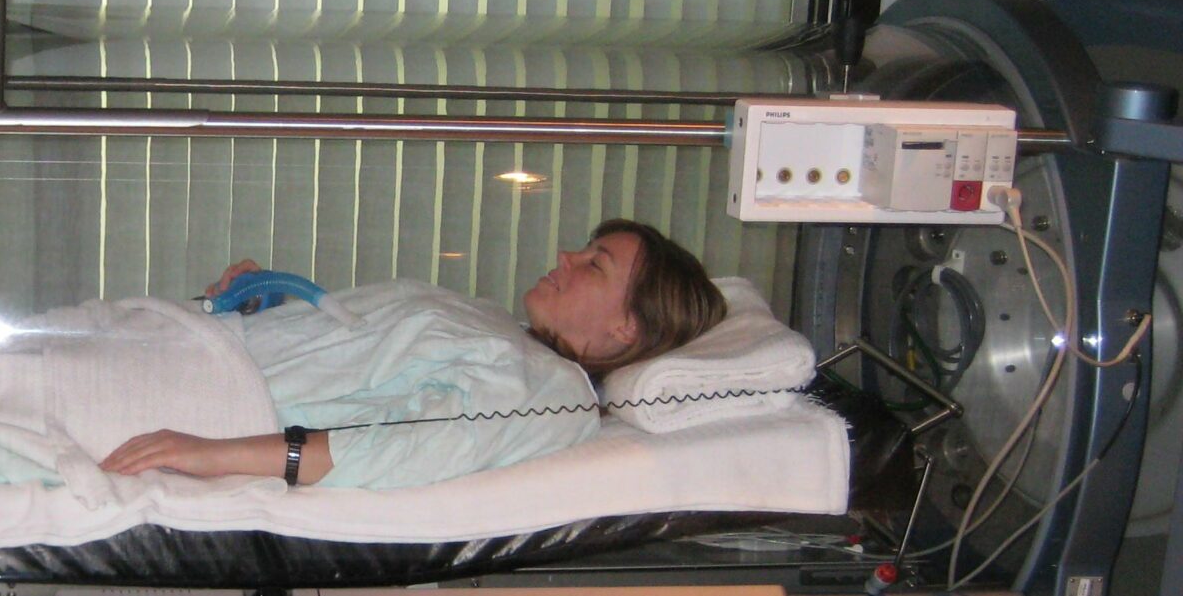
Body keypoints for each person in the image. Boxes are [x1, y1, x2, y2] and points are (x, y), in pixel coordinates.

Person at [98, 218, 724, 487]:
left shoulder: (555, 397)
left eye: (594, 264)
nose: (565, 256)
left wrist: (207, 453)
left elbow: (395, 447)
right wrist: (257, 310)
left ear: (625, 329)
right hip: (173, 348)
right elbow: (355, 366)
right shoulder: (494, 323)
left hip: (186, 400)